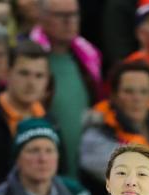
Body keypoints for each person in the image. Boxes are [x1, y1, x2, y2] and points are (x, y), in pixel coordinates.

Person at [29, 0, 103, 177]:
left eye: (74, 14)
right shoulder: (30, 60)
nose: (69, 21)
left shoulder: (88, 59)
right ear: (42, 18)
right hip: (45, 171)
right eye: (61, 15)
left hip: (85, 171)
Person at [0, 40, 51, 181]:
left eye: (39, 76)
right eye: (24, 73)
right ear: (7, 73)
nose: (31, 83)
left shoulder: (51, 121)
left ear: (47, 80)